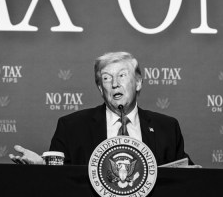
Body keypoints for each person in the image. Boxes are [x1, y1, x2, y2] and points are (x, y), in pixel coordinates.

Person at [10, 51, 189, 166]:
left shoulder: (166, 127)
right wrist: (43, 166)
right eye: (106, 78)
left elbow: (183, 174)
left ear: (138, 82)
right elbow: (60, 181)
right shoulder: (72, 126)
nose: (115, 84)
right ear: (100, 89)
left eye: (122, 75)